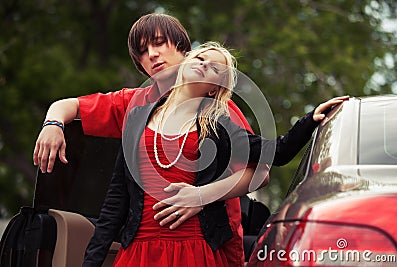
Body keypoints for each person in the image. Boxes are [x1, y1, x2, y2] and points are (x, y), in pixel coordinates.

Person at [33, 13, 348, 266]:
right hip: (140, 249)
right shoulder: (136, 106)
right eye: (142, 52)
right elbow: (114, 195)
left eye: (159, 44)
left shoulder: (217, 114)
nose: (152, 55)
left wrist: (201, 196)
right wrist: (52, 123)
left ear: (184, 50)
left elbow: (264, 168)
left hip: (205, 244)